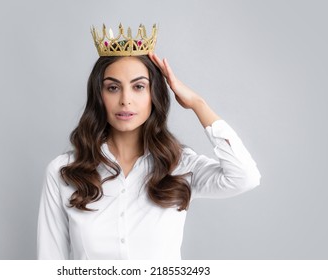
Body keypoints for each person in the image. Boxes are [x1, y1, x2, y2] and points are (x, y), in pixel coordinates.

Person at [37, 24, 261, 259]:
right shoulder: (63, 172)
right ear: (98, 96)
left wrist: (197, 103)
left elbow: (244, 177)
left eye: (138, 87)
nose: (125, 100)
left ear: (154, 94)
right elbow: (50, 261)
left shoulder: (180, 165)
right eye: (113, 88)